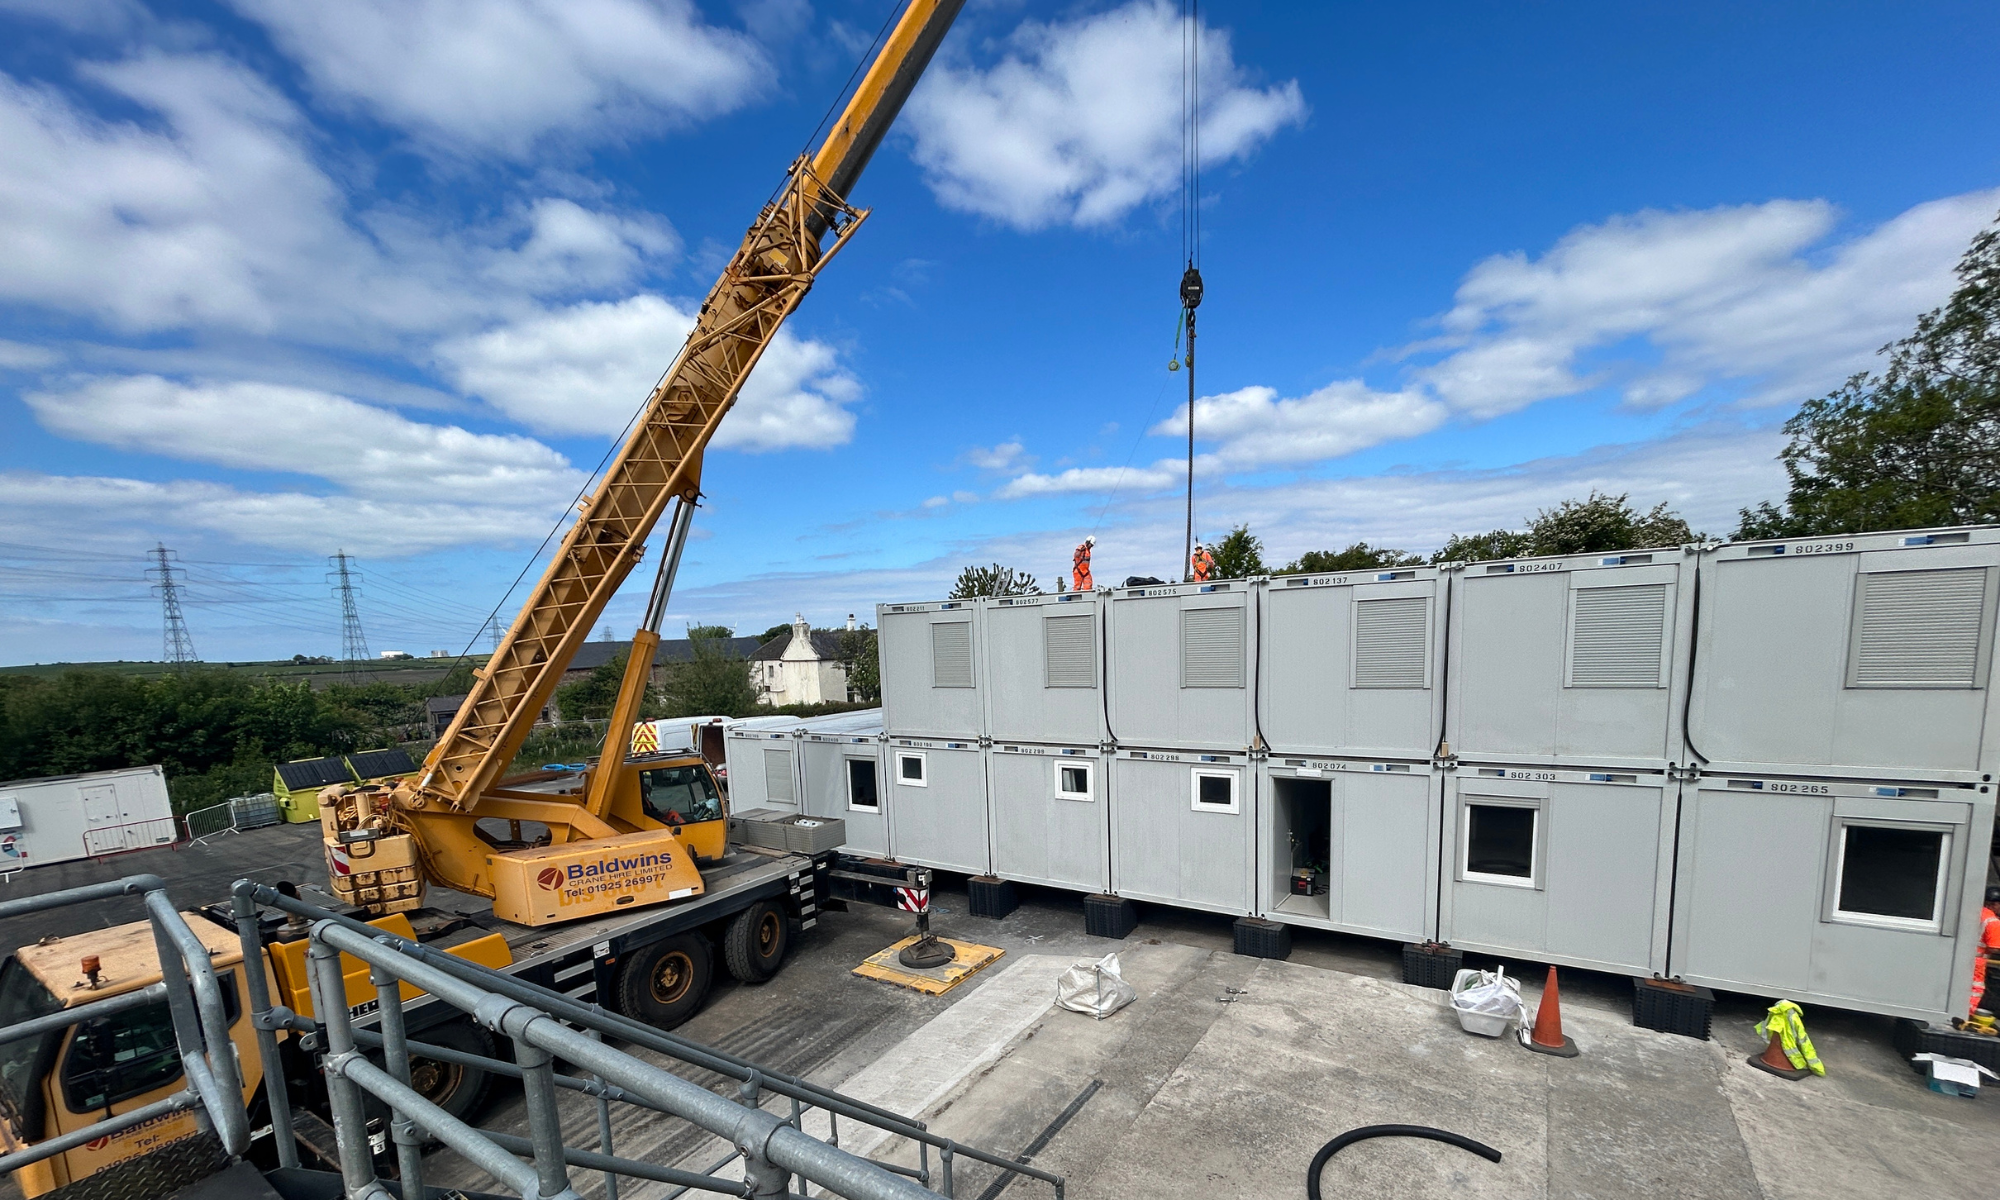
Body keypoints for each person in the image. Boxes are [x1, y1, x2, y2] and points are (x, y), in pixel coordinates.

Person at [1973, 885, 2000, 1017]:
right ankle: (1966, 1016)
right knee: (1975, 990)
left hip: (1960, 957)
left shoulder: (1973, 913)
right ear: (1994, 904)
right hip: (1977, 963)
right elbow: (1994, 947)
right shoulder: (1993, 921)